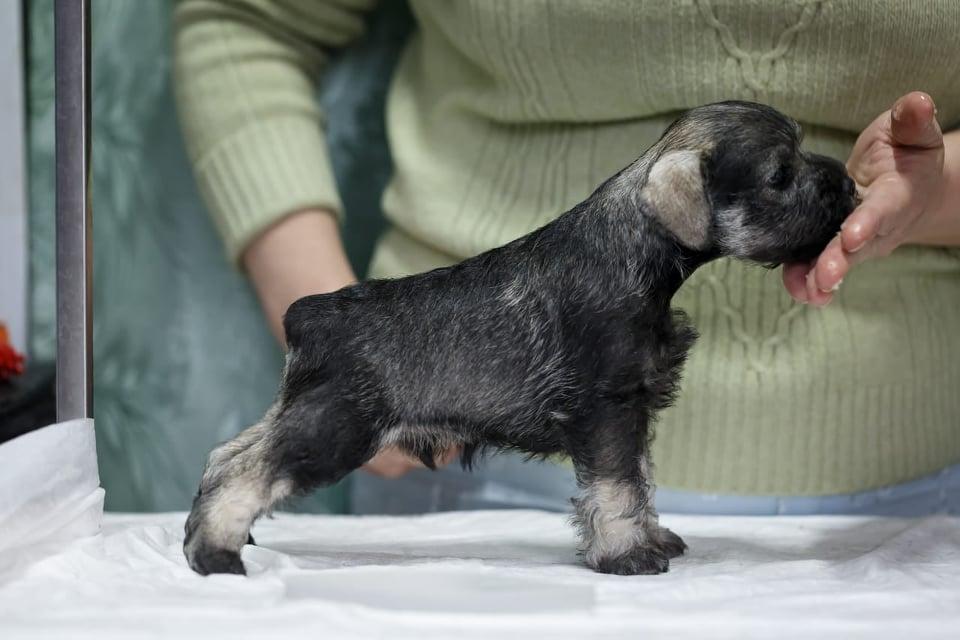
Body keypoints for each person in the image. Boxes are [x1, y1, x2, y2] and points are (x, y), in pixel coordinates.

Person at [173, 0, 960, 515]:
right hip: (464, 476)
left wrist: (933, 192)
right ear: (687, 201)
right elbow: (247, 18)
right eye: (783, 177)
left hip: (913, 493)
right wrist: (364, 357)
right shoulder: (674, 201)